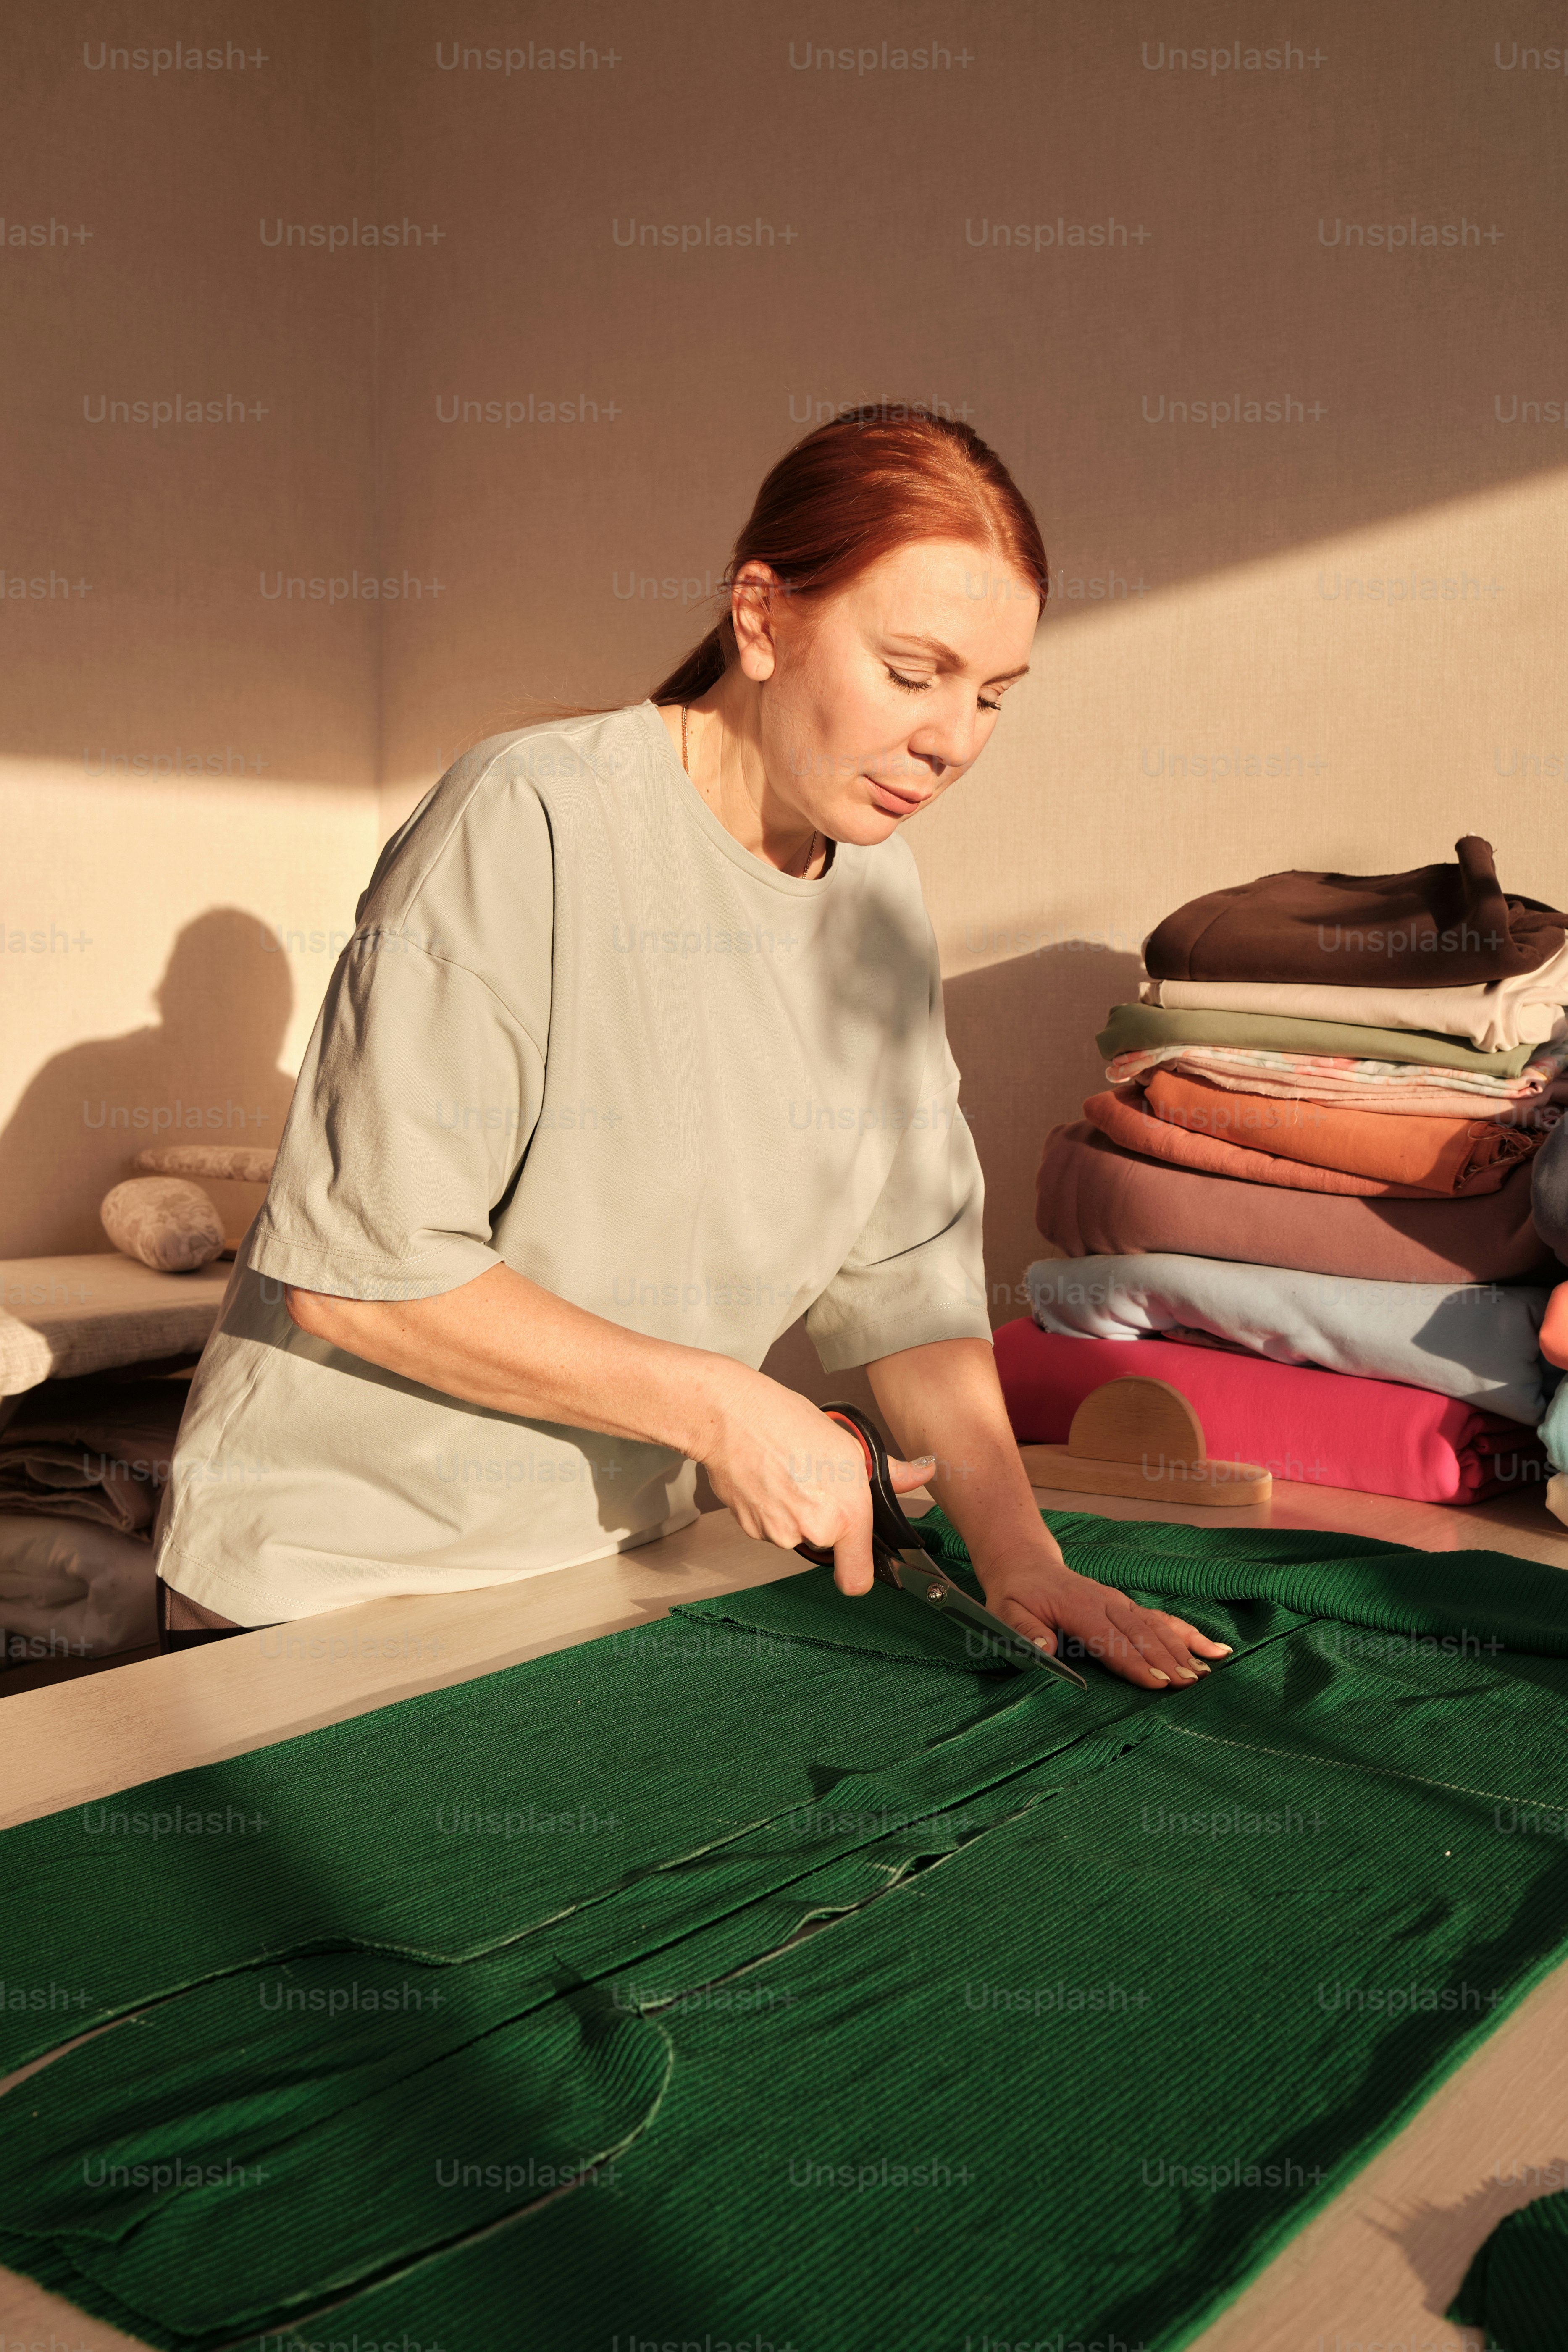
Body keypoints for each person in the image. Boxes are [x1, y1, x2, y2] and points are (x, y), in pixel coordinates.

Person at [153, 407, 1227, 1689]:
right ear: (762, 618)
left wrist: (1020, 1556)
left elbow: (907, 1285)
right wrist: (725, 1409)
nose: (952, 741)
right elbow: (361, 1272)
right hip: (332, 1594)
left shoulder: (879, 902)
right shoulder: (530, 817)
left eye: (992, 695)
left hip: (606, 1580)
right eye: (911, 671)